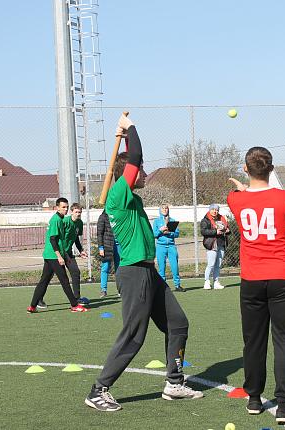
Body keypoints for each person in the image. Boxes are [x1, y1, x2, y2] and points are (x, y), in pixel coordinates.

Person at [85, 113, 202, 412]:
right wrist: (130, 127)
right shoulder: (118, 195)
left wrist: (124, 139)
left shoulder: (133, 199)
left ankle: (174, 382)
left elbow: (132, 158)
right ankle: (98, 390)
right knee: (134, 336)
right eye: (141, 170)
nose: (145, 173)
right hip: (133, 273)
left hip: (148, 272)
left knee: (178, 323)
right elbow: (135, 156)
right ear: (128, 174)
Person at [227, 146, 285, 424]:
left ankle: (254, 398)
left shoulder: (235, 200)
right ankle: (283, 406)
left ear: (245, 169)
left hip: (252, 280)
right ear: (271, 168)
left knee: (253, 342)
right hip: (284, 278)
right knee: (284, 341)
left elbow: (244, 195)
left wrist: (243, 188)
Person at [27, 197, 86, 313]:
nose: (65, 209)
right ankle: (74, 305)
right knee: (64, 280)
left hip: (49, 255)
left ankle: (32, 306)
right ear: (57, 208)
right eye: (63, 207)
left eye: (66, 207)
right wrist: (59, 256)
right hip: (53, 255)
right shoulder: (56, 220)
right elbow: (53, 239)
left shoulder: (60, 219)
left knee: (44, 280)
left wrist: (79, 250)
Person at [62, 202, 89, 312]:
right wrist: (59, 254)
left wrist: (81, 250)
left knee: (76, 272)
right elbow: (57, 237)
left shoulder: (80, 223)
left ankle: (76, 299)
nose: (78, 214)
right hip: (58, 252)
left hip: (68, 253)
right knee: (47, 277)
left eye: (80, 212)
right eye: (76, 212)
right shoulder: (65, 222)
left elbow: (76, 238)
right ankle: (38, 299)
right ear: (71, 212)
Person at [152, 204, 184, 292]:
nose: (165, 210)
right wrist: (160, 230)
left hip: (171, 246)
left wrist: (169, 233)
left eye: (166, 208)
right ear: (160, 210)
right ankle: (163, 287)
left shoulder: (172, 221)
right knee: (161, 267)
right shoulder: (157, 221)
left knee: (174, 266)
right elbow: (154, 234)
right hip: (160, 246)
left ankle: (177, 285)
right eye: (163, 208)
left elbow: (176, 234)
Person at [200, 203, 230, 290]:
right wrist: (215, 232)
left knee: (218, 264)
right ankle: (207, 281)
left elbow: (227, 229)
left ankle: (216, 281)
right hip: (212, 244)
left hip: (221, 243)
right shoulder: (205, 220)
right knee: (211, 264)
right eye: (213, 209)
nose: (215, 211)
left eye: (216, 210)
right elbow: (203, 231)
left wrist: (227, 230)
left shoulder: (222, 219)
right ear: (210, 210)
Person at [97, 209, 121, 298]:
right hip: (107, 245)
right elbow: (99, 233)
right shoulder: (103, 217)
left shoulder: (117, 215)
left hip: (119, 245)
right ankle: (103, 290)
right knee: (105, 267)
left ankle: (120, 290)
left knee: (119, 268)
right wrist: (101, 247)